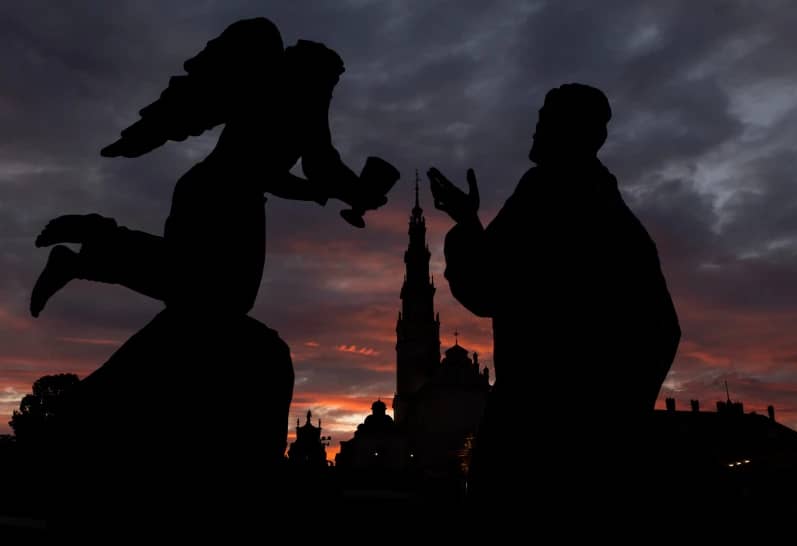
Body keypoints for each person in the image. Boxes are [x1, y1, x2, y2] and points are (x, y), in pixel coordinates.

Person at [428, 83, 680, 517]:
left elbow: (484, 287)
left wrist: (467, 224)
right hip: (583, 436)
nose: (535, 130)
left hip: (534, 428)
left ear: (575, 133)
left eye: (545, 121)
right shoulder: (608, 209)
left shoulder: (547, 191)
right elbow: (663, 330)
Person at [30, 18, 393, 318]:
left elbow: (314, 168)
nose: (331, 91)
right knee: (210, 291)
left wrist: (352, 191)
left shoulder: (300, 107)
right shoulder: (283, 100)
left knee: (205, 289)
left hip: (233, 197)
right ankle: (95, 235)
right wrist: (343, 191)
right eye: (330, 82)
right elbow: (295, 171)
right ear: (310, 76)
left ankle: (82, 259)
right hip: (216, 195)